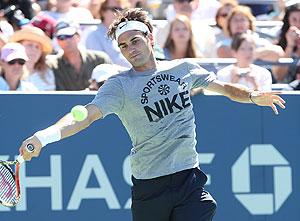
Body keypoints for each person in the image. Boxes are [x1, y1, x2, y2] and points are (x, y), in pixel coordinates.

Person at [19, 8, 286, 221]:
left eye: (135, 40)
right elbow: (84, 116)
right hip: (149, 186)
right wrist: (44, 137)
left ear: (150, 38)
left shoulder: (184, 69)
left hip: (188, 179)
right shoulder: (118, 85)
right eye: (123, 45)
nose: (131, 48)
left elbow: (225, 88)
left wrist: (251, 96)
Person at [47, 19, 112, 90]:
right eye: (61, 37)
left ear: (78, 36)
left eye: (70, 35)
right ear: (57, 41)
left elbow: (112, 88)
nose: (66, 40)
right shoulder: (51, 65)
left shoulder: (100, 59)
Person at [84, 0, 131, 67]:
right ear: (103, 11)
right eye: (115, 9)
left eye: (121, 9)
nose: (119, 13)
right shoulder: (93, 35)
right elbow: (99, 66)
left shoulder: (123, 33)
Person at [9, 26, 56, 91]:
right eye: (29, 45)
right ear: (19, 46)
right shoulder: (8, 72)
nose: (34, 50)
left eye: (37, 47)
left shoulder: (47, 74)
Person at [273, 3, 300, 83]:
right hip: (287, 90)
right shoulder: (278, 42)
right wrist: (290, 45)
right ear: (288, 21)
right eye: (294, 20)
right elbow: (279, 76)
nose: (298, 24)